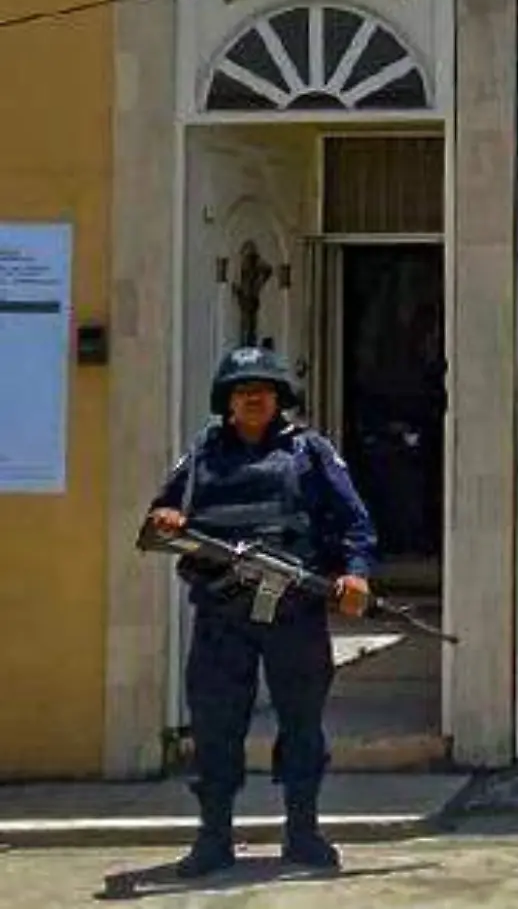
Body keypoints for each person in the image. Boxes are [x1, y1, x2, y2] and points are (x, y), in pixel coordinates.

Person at [144, 345, 378, 877]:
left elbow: (354, 522)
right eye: (242, 392)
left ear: (279, 399)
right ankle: (213, 838)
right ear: (226, 401)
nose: (253, 399)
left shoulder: (309, 453)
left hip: (293, 612)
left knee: (302, 724)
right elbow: (162, 513)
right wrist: (166, 518)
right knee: (215, 728)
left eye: (263, 391)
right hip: (222, 615)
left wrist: (355, 573)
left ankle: (303, 833)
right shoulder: (202, 457)